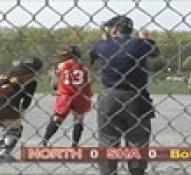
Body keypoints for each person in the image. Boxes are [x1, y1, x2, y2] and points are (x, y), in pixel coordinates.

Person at [90, 15, 159, 175]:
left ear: (114, 29)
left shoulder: (103, 45)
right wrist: (145, 39)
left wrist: (105, 40)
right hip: (135, 96)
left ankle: (108, 171)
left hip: (109, 95)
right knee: (137, 139)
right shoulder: (141, 44)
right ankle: (136, 170)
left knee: (108, 138)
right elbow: (155, 53)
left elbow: (92, 57)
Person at [41, 45, 92, 147]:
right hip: (80, 96)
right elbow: (88, 82)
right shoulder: (84, 67)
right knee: (78, 120)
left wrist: (55, 86)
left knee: (57, 118)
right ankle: (75, 144)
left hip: (65, 96)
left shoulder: (62, 65)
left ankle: (45, 141)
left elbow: (55, 82)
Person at [0, 57, 42, 160]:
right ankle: (4, 152)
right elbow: (26, 101)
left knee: (12, 127)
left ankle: (3, 149)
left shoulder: (10, 75)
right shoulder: (30, 82)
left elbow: (26, 101)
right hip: (8, 106)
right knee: (15, 128)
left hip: (9, 107)